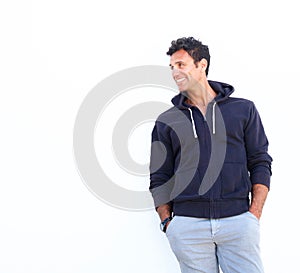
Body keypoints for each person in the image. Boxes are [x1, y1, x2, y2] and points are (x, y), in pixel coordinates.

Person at [149, 37, 272, 273]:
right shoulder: (167, 121)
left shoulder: (243, 110)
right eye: (172, 67)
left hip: (237, 221)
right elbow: (159, 177)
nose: (175, 72)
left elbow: (260, 161)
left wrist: (253, 215)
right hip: (188, 226)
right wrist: (168, 223)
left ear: (201, 64)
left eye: (181, 65)